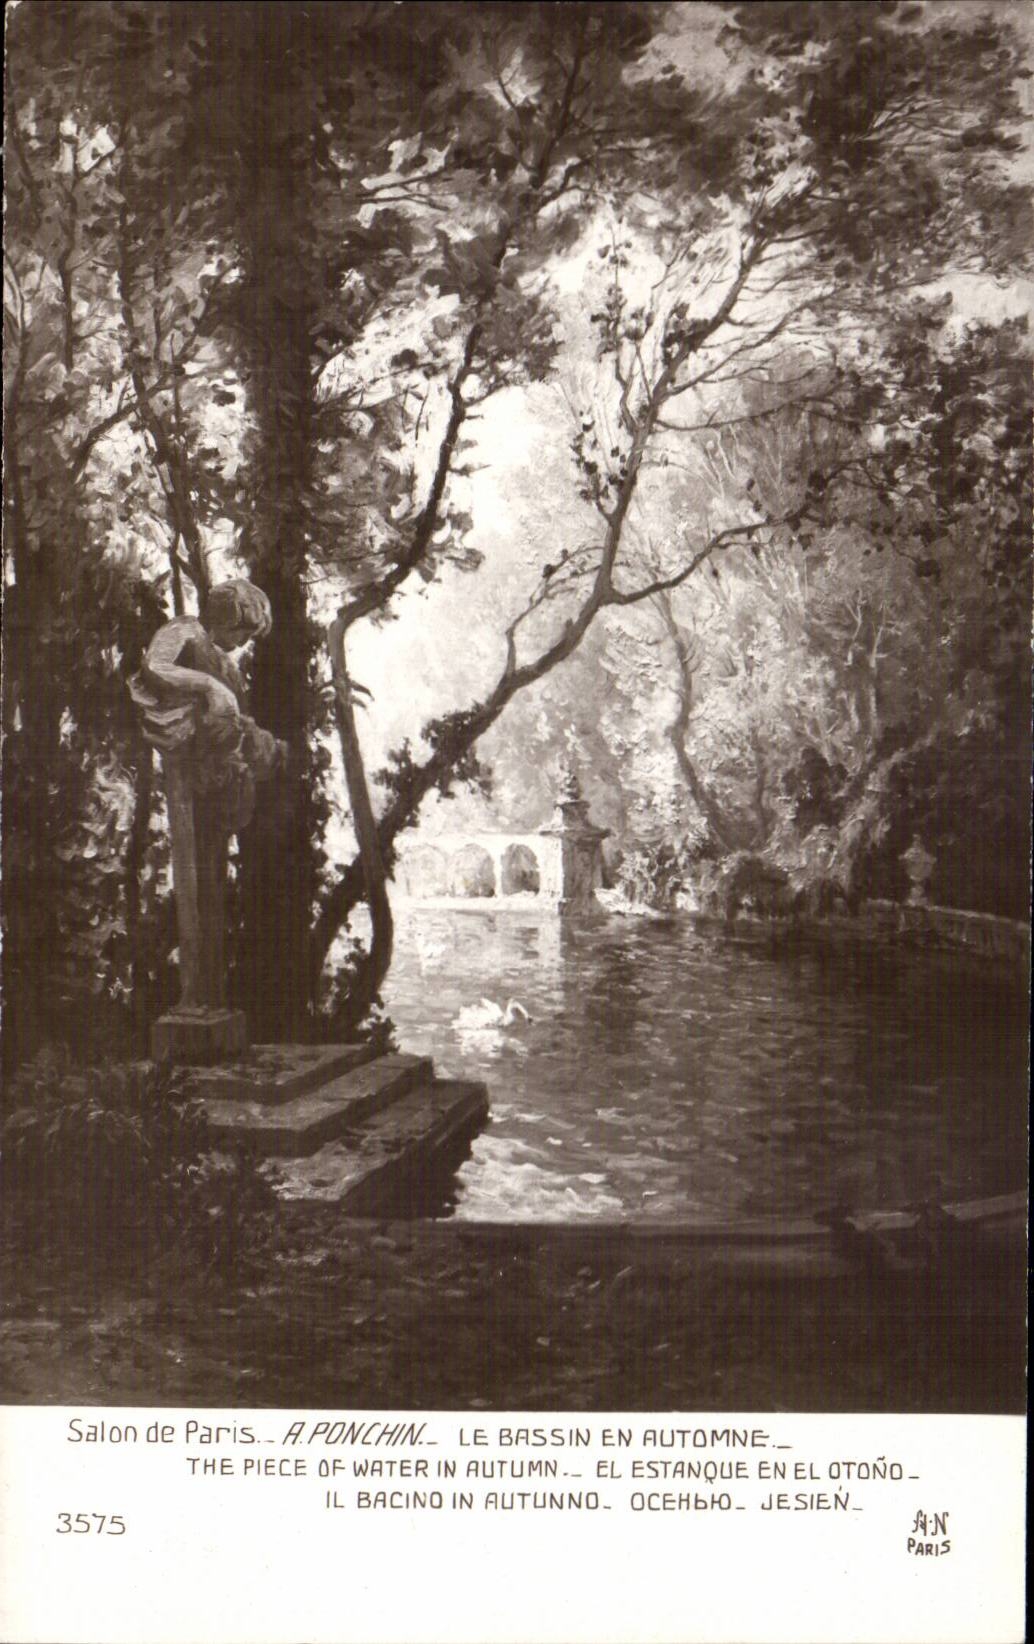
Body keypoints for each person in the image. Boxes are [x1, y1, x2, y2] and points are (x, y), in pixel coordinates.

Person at [129, 580, 286, 1014]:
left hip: (220, 785)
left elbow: (234, 726)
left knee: (213, 886)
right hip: (188, 781)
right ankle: (192, 996)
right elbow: (155, 666)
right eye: (242, 632)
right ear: (225, 618)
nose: (242, 643)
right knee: (194, 881)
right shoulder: (187, 632)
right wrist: (210, 687)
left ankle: (209, 996)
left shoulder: (232, 668)